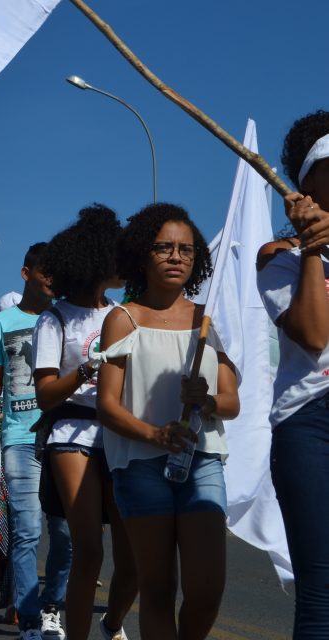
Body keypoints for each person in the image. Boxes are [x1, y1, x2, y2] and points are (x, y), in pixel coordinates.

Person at [98, 203, 239, 640]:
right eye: (164, 247)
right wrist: (155, 434)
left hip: (203, 462)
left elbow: (232, 401)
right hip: (140, 467)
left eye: (186, 249)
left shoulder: (209, 320)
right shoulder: (122, 320)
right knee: (158, 589)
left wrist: (209, 402)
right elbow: (107, 405)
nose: (176, 256)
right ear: (143, 253)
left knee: (207, 588)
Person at [33, 206, 137, 640]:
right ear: (96, 259)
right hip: (71, 434)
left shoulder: (124, 314)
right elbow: (45, 393)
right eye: (116, 255)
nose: (123, 263)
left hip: (120, 434)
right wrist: (88, 371)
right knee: (89, 550)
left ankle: (111, 623)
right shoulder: (54, 318)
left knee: (132, 557)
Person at [256, 110, 329, 637]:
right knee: (322, 596)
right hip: (311, 424)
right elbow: (313, 335)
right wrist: (312, 250)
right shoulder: (280, 259)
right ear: (305, 188)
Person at [0, 243, 72, 639]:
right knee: (26, 531)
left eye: (57, 272)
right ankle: (31, 622)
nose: (52, 279)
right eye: (44, 272)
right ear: (26, 274)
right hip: (19, 436)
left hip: (65, 434)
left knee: (67, 533)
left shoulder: (68, 318)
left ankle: (52, 605)